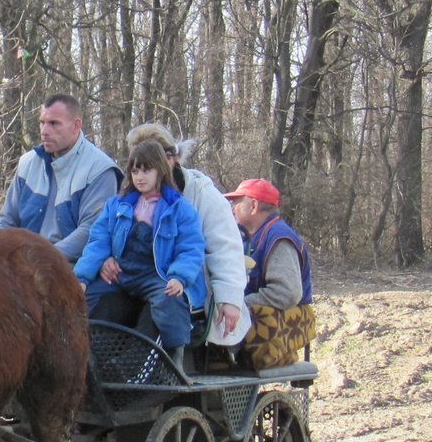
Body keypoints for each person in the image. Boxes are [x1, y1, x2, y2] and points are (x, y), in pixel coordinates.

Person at [74, 140, 207, 363]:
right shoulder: (117, 205)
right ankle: (91, 360)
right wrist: (83, 277)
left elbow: (191, 248)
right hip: (123, 274)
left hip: (157, 275)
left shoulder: (179, 208)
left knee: (169, 300)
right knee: (88, 297)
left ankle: (175, 362)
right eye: (135, 171)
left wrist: (179, 277)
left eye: (146, 170)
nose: (139, 177)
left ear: (161, 171)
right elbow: (98, 240)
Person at [125, 123, 248, 347]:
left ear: (170, 159)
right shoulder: (129, 196)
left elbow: (226, 249)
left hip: (187, 284)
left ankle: (133, 371)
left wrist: (229, 298)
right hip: (137, 279)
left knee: (161, 307)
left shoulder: (201, 194)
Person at [0, 93, 122, 262]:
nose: (44, 131)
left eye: (54, 123)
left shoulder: (99, 169)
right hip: (24, 264)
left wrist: (40, 258)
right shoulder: (28, 163)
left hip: (74, 268)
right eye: (42, 123)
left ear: (76, 126)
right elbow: (7, 220)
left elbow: (91, 231)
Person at [224, 177, 316, 370]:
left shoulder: (279, 237)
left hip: (274, 327)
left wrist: (239, 304)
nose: (232, 208)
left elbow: (287, 293)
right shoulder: (247, 236)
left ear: (254, 206)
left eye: (237, 202)